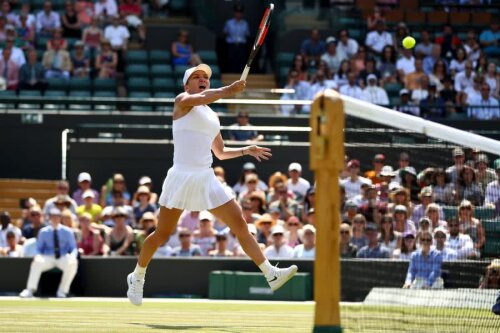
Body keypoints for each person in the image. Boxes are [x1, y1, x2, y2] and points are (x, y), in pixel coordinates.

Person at [126, 64, 298, 306]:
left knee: (240, 224)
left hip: (206, 178)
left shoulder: (212, 116)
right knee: (161, 234)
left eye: (205, 77)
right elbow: (208, 96)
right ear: (187, 86)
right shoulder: (182, 101)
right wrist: (229, 89)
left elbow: (220, 152)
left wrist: (246, 150)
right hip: (182, 177)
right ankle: (137, 277)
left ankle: (270, 274)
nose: (202, 79)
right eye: (196, 77)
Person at [19, 208, 78, 298]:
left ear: (60, 218)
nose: (55, 219)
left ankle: (62, 291)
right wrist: (37, 255)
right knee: (37, 262)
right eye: (52, 217)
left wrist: (73, 256)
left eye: (57, 217)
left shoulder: (68, 232)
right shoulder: (43, 232)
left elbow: (73, 248)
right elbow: (39, 248)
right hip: (48, 257)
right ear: (49, 218)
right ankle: (30, 290)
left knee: (73, 263)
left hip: (63, 257)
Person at [223, 4, 249, 73]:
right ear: (234, 13)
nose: (238, 14)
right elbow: (225, 33)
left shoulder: (245, 23)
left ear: (242, 13)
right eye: (237, 12)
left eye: (240, 12)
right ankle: (231, 77)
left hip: (241, 45)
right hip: (231, 45)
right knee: (231, 61)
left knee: (242, 62)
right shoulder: (229, 23)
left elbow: (247, 34)